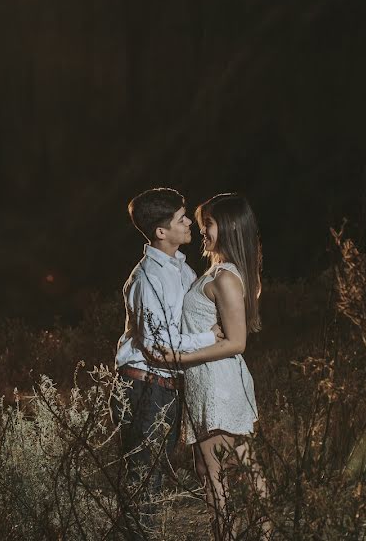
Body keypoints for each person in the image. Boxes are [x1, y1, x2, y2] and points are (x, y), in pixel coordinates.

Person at [159, 192, 270, 539]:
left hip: (217, 384)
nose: (202, 230)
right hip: (208, 381)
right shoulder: (218, 271)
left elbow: (237, 342)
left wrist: (180, 357)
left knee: (218, 477)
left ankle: (246, 534)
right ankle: (262, 533)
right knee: (231, 472)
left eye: (208, 223)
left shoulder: (225, 277)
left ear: (230, 226)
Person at [113, 187, 225, 508]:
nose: (189, 221)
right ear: (161, 231)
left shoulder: (182, 269)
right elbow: (156, 346)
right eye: (181, 218)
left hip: (168, 386)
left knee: (155, 473)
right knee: (144, 479)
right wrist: (211, 337)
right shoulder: (147, 280)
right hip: (144, 386)